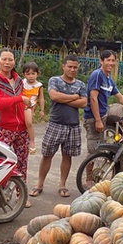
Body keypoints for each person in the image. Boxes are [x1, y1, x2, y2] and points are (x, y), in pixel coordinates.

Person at [29, 55, 86, 199]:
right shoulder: (54, 80)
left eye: (75, 67)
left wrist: (64, 99)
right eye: (69, 66)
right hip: (56, 124)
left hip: (73, 126)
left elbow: (84, 103)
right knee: (47, 155)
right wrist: (74, 97)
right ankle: (39, 185)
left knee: (67, 156)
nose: (72, 69)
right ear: (63, 66)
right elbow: (54, 97)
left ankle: (62, 185)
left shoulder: (81, 84)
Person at [0, 48, 32, 207]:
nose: (7, 63)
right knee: (2, 164)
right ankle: (0, 196)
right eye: (4, 59)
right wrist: (19, 99)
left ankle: (22, 195)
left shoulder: (19, 80)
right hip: (4, 128)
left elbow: (27, 100)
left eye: (10, 60)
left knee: (22, 163)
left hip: (22, 129)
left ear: (14, 61)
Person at [83, 50, 123, 155]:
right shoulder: (97, 75)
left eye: (113, 60)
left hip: (105, 111)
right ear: (101, 61)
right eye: (108, 60)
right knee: (94, 152)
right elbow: (93, 99)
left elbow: (119, 97)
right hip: (94, 116)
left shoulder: (109, 79)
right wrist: (98, 120)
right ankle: (89, 172)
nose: (111, 63)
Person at [22, 61, 45, 154]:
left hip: (30, 107)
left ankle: (32, 142)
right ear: (24, 74)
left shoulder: (39, 86)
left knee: (29, 123)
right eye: (28, 74)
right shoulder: (22, 83)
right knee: (22, 125)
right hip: (20, 106)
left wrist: (42, 110)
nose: (31, 76)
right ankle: (24, 142)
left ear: (37, 74)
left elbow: (41, 98)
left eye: (33, 73)